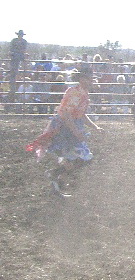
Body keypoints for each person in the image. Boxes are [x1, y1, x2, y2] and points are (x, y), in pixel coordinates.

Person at [26, 69, 103, 197]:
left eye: (91, 78)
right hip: (64, 128)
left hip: (70, 127)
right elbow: (67, 115)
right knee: (80, 157)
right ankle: (56, 177)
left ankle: (56, 180)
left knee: (75, 158)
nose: (91, 81)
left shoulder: (83, 93)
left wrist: (95, 127)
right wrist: (76, 132)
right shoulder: (74, 92)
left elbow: (81, 114)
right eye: (88, 78)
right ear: (82, 79)